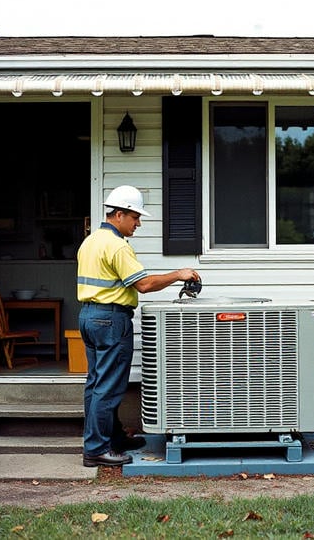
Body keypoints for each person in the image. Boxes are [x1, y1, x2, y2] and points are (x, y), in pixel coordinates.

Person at [77, 185, 200, 467]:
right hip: (111, 319)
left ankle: (112, 438)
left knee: (96, 383)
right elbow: (143, 284)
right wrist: (179, 274)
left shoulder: (91, 241)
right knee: (108, 387)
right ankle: (96, 449)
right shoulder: (117, 246)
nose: (138, 223)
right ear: (119, 214)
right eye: (135, 217)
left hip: (89, 316)